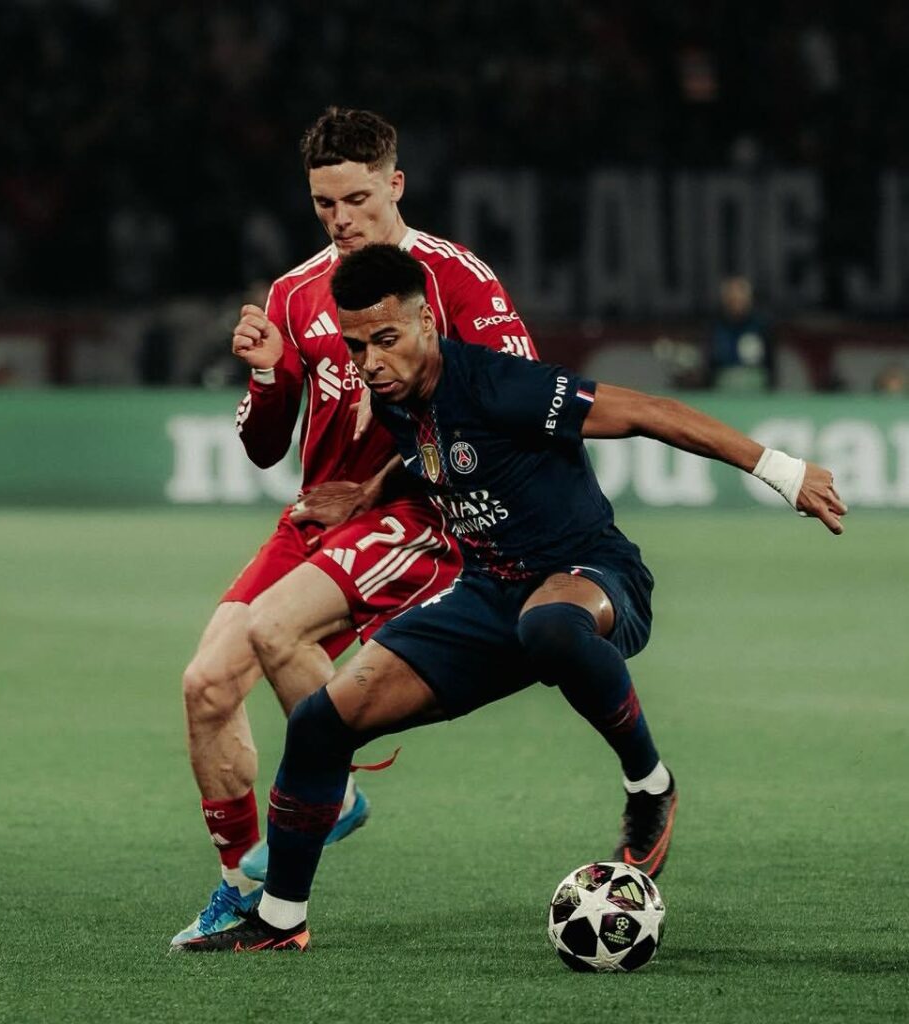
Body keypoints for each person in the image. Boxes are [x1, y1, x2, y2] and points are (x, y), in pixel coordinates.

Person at [211, 244, 847, 953]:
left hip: (591, 573)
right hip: (488, 595)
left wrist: (782, 471)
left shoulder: (500, 385)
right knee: (319, 724)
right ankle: (280, 920)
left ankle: (649, 785)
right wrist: (365, 494)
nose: (372, 361)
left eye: (386, 339)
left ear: (426, 321)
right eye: (358, 347)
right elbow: (428, 453)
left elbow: (648, 411)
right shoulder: (396, 396)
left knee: (549, 625)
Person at [172, 109, 539, 950]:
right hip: (317, 515)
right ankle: (248, 896)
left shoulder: (455, 280)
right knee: (206, 687)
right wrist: (269, 378)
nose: (341, 219)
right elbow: (265, 448)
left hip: (414, 512)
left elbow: (513, 407)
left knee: (274, 631)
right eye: (324, 204)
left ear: (395, 184)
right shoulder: (295, 293)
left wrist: (388, 470)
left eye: (358, 199)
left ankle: (327, 789)